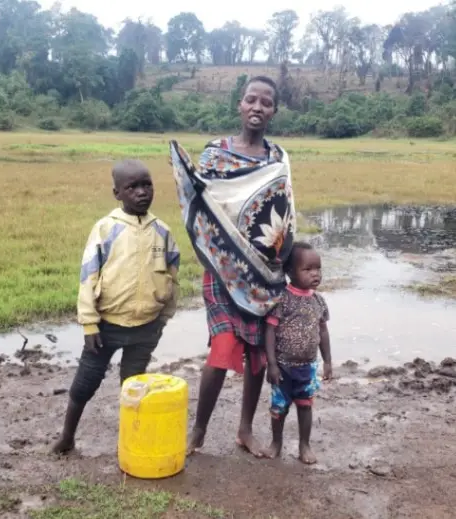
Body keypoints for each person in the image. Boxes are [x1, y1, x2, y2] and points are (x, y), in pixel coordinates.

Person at [169, 76, 295, 456]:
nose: (258, 107)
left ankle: (244, 429)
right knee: (223, 347)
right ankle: (199, 431)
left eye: (266, 102)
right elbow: (200, 203)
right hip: (222, 270)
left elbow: (283, 216)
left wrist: (285, 264)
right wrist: (208, 247)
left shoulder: (278, 160)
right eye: (251, 99)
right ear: (240, 105)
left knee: (257, 353)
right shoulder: (215, 154)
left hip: (264, 274)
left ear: (274, 111)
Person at [51, 159, 180, 454]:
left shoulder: (162, 231)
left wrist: (164, 317)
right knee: (84, 383)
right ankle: (67, 436)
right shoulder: (105, 229)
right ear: (117, 193)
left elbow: (173, 275)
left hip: (147, 326)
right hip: (106, 326)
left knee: (133, 387)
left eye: (146, 184)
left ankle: (131, 441)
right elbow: (88, 275)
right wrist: (89, 322)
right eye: (132, 187)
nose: (141, 192)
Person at [262, 242, 332, 464]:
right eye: (308, 269)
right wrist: (271, 364)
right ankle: (277, 443)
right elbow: (270, 331)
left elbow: (323, 331)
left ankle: (304, 445)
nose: (315, 274)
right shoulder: (283, 299)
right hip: (283, 366)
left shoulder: (318, 301)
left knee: (305, 406)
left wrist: (328, 361)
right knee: (279, 408)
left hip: (308, 366)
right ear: (290, 272)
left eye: (318, 269)